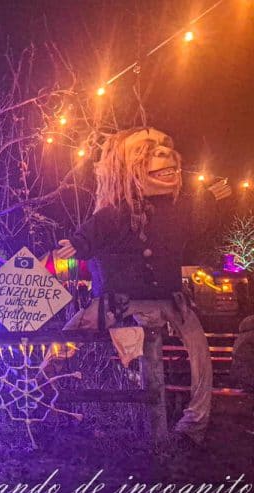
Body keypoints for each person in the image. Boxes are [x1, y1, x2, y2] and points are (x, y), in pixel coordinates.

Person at [57, 127, 231, 445]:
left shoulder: (177, 211)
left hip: (167, 298)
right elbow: (94, 232)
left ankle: (194, 423)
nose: (164, 155)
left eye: (165, 148)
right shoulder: (116, 213)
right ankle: (41, 387)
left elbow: (199, 219)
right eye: (148, 151)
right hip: (120, 299)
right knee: (70, 334)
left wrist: (211, 201)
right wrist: (78, 244)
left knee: (199, 350)